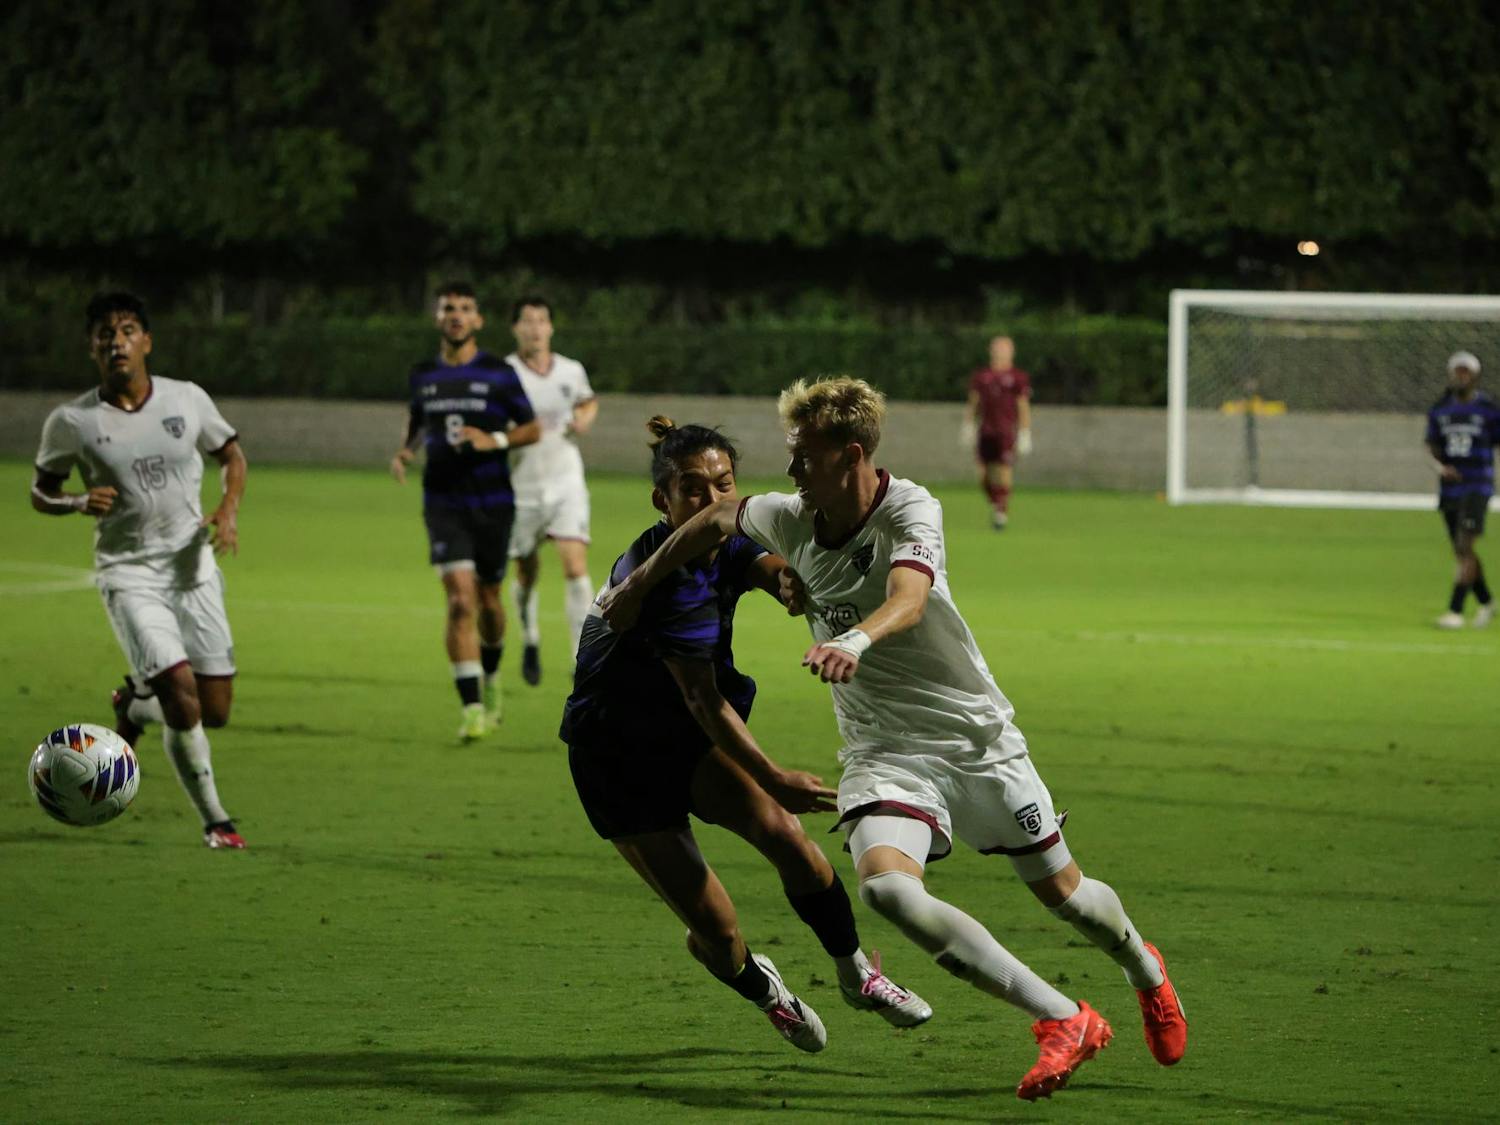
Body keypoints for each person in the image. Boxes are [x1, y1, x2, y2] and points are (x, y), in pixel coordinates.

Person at [602, 377, 1187, 1102]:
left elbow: (909, 597)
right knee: (885, 889)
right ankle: (1063, 1018)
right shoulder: (790, 515)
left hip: (973, 738)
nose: (790, 469)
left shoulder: (910, 508)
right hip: (883, 751)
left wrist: (853, 638)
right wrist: (636, 584)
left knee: (1066, 896)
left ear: (851, 455)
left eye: (805, 455)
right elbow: (716, 519)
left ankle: (1145, 970)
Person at [562, 416, 932, 1053]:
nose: (712, 499)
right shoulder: (665, 580)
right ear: (662, 500)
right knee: (716, 931)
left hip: (683, 742)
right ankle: (768, 993)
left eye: (723, 484)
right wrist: (774, 778)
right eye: (692, 488)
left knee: (788, 839)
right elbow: (703, 700)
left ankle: (857, 975)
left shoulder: (721, 537)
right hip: (615, 761)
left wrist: (785, 578)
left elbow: (759, 563)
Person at [31, 291, 249, 849]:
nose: (117, 341)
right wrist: (76, 501)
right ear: (92, 348)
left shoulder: (186, 399)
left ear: (146, 342)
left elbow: (231, 455)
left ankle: (134, 705)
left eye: (127, 330)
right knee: (179, 690)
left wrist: (227, 509)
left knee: (214, 710)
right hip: (128, 573)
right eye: (105, 333)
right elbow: (41, 491)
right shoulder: (72, 421)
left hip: (192, 568)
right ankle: (217, 821)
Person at [391, 282, 541, 740]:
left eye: (464, 309)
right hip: (443, 502)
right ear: (438, 318)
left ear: (477, 320)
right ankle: (472, 707)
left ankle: (492, 677)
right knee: (460, 600)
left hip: (493, 502)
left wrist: (492, 440)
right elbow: (420, 420)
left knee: (490, 601)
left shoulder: (498, 373)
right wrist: (406, 449)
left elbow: (532, 428)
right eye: (448, 308)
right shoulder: (423, 374)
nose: (456, 315)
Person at [505, 297, 597, 683]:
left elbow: (588, 402)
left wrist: (583, 419)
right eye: (527, 321)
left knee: (575, 566)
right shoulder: (503, 374)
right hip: (521, 487)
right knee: (526, 572)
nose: (535, 328)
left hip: (565, 482)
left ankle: (582, 659)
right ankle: (530, 637)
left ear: (551, 327)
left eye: (541, 320)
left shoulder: (570, 370)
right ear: (516, 328)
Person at [1425, 350, 1500, 629]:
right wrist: (1440, 467)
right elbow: (1430, 446)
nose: (1461, 376)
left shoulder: (1488, 409)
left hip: (1477, 485)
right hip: (1450, 489)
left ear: (1475, 375)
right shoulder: (1440, 409)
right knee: (1461, 551)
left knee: (1464, 545)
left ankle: (1455, 611)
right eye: (1457, 371)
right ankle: (1487, 601)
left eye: (1466, 371)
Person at [963, 335, 1033, 530]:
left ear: (1012, 352)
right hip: (986, 431)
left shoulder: (1018, 377)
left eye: (1005, 348)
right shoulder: (982, 377)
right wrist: (968, 426)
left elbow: (1023, 406)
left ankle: (1001, 512)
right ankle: (996, 501)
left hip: (1006, 432)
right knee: (983, 475)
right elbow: (974, 402)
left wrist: (1025, 433)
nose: (1001, 352)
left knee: (1004, 470)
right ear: (991, 351)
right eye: (998, 348)